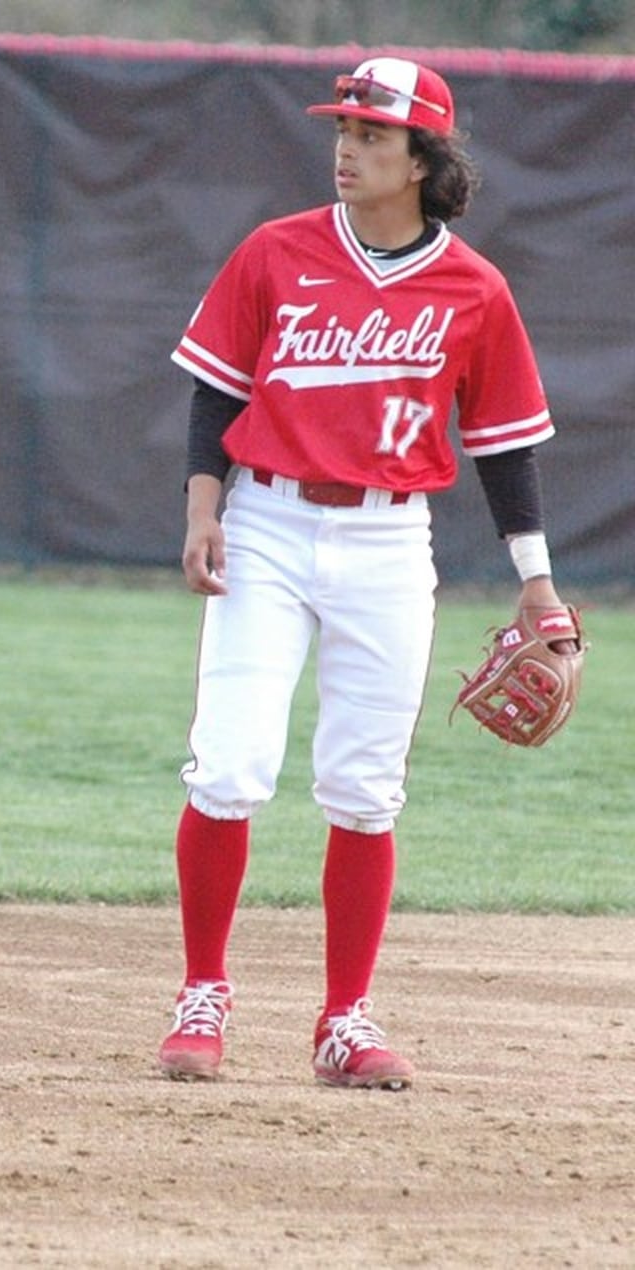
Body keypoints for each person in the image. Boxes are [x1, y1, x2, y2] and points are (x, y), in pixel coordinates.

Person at [157, 58, 575, 1089]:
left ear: (422, 160)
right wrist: (203, 509)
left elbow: (505, 448)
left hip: (390, 543)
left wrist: (537, 585)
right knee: (231, 762)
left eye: (372, 136)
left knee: (362, 788)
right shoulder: (276, 251)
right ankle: (201, 990)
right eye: (342, 130)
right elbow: (216, 391)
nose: (347, 149)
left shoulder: (472, 288)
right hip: (264, 523)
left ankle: (344, 1019)